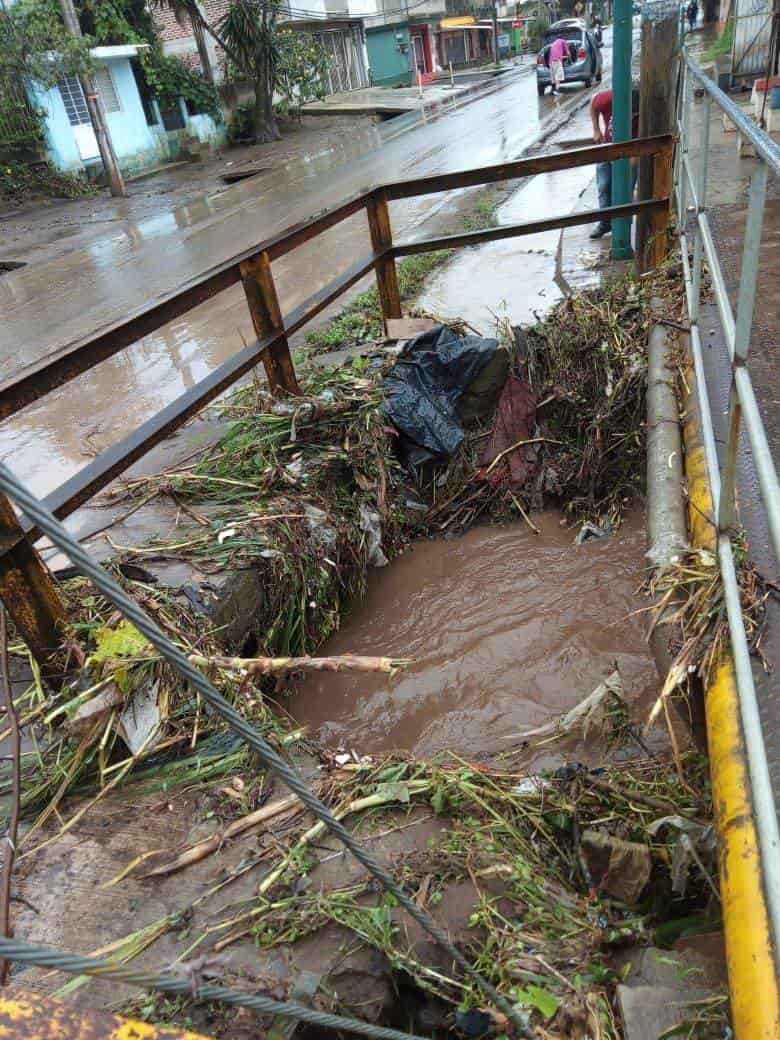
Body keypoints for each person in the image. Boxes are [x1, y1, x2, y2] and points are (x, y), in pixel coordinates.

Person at [589, 85, 640, 239]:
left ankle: (623, 223)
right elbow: (593, 104)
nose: (631, 117)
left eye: (634, 114)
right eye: (629, 113)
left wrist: (630, 164)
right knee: (604, 185)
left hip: (630, 150)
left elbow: (640, 144)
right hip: (608, 146)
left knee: (625, 188)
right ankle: (605, 223)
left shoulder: (645, 111)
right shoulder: (608, 99)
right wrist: (596, 129)